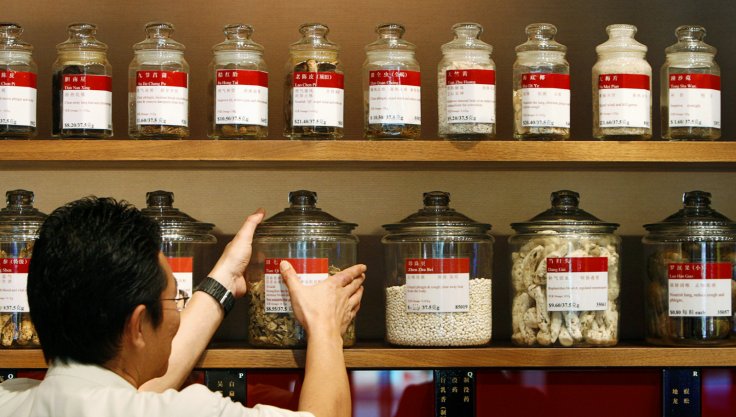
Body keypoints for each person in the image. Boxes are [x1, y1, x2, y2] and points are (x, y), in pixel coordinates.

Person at [0, 197, 366, 417]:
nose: (178, 314)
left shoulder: (9, 400)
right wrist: (324, 326)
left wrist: (222, 281)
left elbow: (130, 396)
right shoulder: (192, 410)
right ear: (138, 326)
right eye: (176, 299)